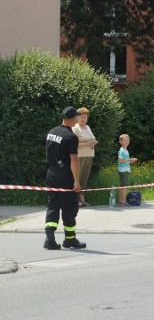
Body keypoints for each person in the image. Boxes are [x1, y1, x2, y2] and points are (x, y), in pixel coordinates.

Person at [43, 106, 86, 249]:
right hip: (65, 175)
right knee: (69, 206)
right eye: (76, 117)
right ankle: (70, 239)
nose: (77, 120)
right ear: (73, 119)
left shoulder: (51, 132)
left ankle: (49, 239)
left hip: (51, 173)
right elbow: (74, 160)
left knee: (53, 205)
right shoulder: (71, 137)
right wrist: (76, 182)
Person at [71, 107, 97, 206]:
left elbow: (92, 139)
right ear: (77, 117)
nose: (83, 119)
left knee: (84, 178)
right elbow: (74, 144)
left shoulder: (88, 127)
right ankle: (75, 199)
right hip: (79, 156)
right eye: (81, 117)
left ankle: (82, 199)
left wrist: (93, 142)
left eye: (85, 117)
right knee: (77, 177)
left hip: (89, 155)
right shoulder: (75, 128)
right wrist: (87, 144)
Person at [116, 134, 138, 206]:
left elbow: (125, 160)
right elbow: (120, 160)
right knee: (124, 186)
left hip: (125, 170)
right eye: (124, 140)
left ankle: (121, 201)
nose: (126, 141)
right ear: (120, 141)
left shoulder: (125, 150)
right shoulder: (122, 150)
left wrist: (130, 161)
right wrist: (129, 160)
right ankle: (123, 202)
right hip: (123, 170)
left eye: (127, 140)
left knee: (123, 186)